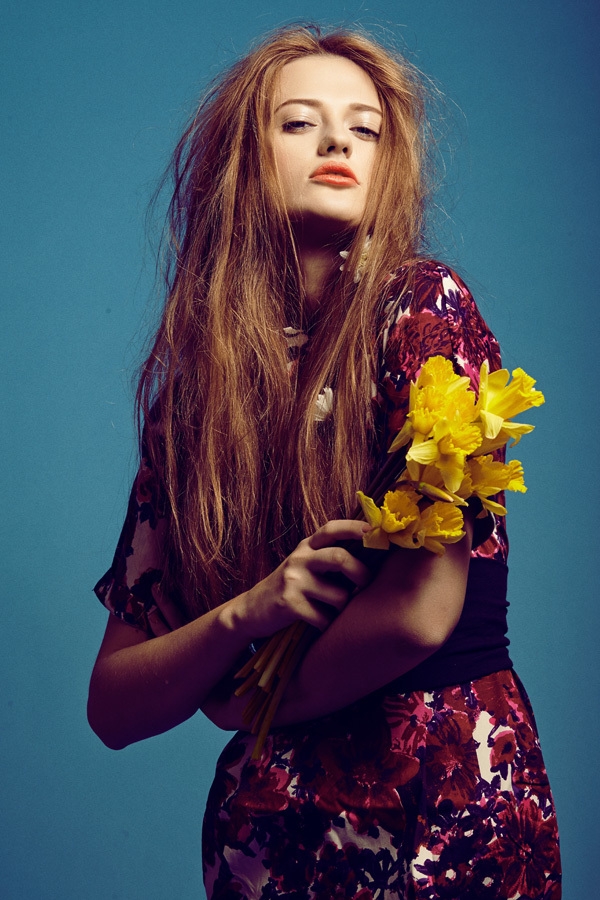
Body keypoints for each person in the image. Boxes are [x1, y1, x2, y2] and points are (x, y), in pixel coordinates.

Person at [88, 25, 561, 899]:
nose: (339, 141)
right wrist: (246, 615)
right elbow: (114, 703)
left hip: (437, 805)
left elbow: (421, 614)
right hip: (269, 837)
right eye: (300, 122)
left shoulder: (423, 310)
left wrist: (244, 704)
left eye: (365, 128)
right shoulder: (195, 399)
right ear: (244, 161)